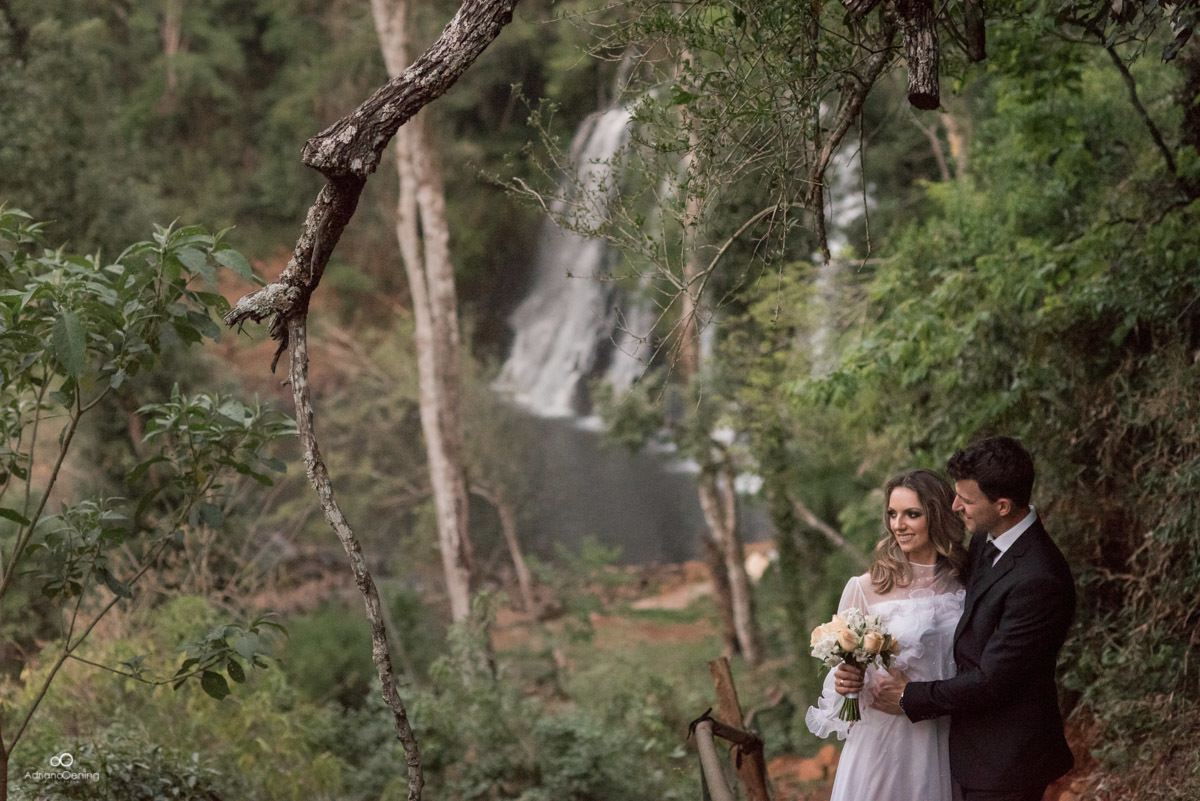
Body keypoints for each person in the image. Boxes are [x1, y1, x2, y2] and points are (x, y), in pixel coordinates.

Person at [837, 436, 1076, 801]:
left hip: (1005, 757)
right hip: (954, 744)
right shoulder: (984, 541)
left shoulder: (1039, 576)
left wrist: (909, 697)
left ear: (1002, 505)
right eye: (892, 514)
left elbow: (993, 679)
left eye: (966, 500)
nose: (955, 506)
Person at [806, 469, 969, 801]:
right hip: (888, 738)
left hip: (952, 734)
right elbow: (845, 669)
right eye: (893, 514)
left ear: (936, 515)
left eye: (912, 514)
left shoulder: (965, 579)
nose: (899, 525)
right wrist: (844, 682)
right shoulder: (867, 587)